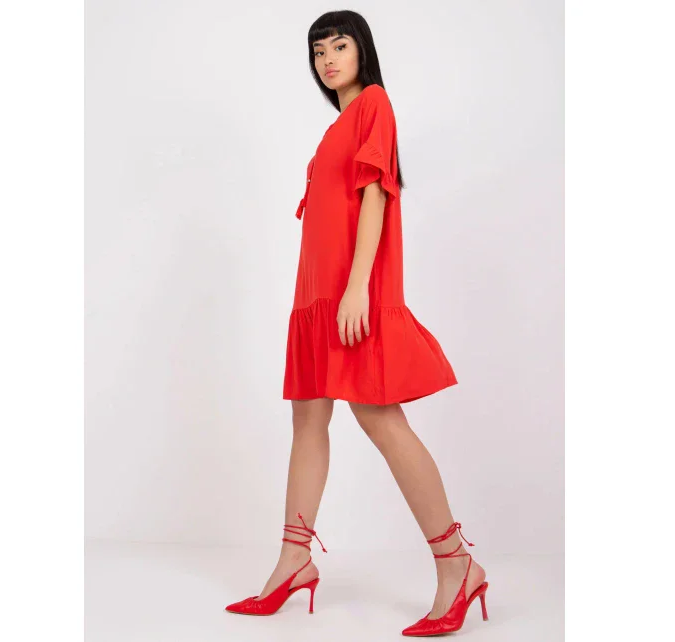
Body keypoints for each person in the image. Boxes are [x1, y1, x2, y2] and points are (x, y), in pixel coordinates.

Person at [225, 10, 489, 636]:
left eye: (339, 46)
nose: (328, 59)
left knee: (379, 417)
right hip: (315, 297)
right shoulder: (335, 129)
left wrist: (355, 290)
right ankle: (294, 560)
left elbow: (375, 196)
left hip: (351, 294)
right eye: (318, 51)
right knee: (308, 420)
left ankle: (457, 563)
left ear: (362, 50)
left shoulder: (374, 104)